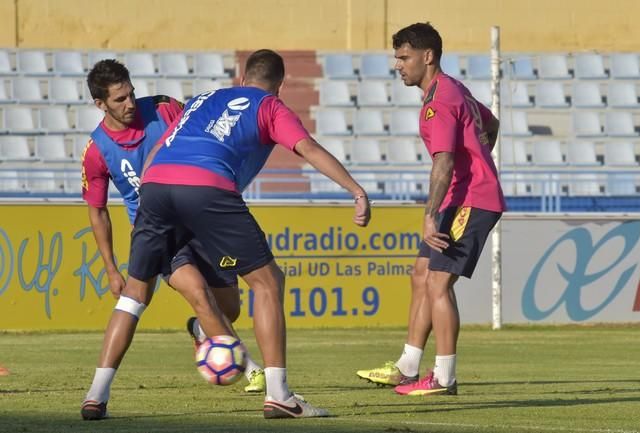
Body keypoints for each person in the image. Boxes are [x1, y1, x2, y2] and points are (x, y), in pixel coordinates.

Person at [80, 49, 371, 420]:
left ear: (243, 77)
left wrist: (153, 189)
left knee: (138, 296)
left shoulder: (204, 99)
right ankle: (279, 395)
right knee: (268, 283)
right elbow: (307, 148)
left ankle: (95, 396)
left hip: (154, 190)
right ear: (278, 86)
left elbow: (159, 147)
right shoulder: (270, 106)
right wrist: (356, 191)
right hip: (206, 189)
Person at [80, 60, 265, 420]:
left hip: (200, 216)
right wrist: (110, 268)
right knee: (175, 296)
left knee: (229, 308)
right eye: (119, 99)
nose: (130, 103)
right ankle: (96, 395)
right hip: (158, 229)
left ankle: (201, 331)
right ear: (100, 104)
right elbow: (97, 211)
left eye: (131, 93)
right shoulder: (97, 150)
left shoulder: (164, 108)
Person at [360, 22, 505, 396]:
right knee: (421, 273)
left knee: (438, 283)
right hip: (463, 196)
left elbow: (442, 162)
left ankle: (444, 377)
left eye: (404, 57)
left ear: (428, 57)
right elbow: (491, 123)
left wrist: (429, 214)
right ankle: (408, 365)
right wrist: (478, 158)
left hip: (471, 200)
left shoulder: (440, 100)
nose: (398, 65)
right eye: (396, 57)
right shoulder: (452, 89)